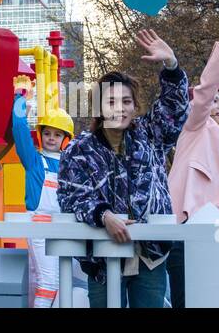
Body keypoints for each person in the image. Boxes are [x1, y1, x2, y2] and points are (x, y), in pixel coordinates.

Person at [57, 28, 189, 308]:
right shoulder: (80, 150)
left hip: (150, 255)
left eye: (126, 101)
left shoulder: (150, 134)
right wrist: (104, 215)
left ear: (135, 105)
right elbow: (71, 198)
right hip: (103, 257)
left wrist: (171, 65)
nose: (120, 109)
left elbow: (174, 110)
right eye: (111, 102)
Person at [166, 0, 219, 307]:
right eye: (216, 101)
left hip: (208, 234)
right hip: (183, 232)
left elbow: (211, 194)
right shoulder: (194, 125)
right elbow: (207, 85)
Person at [10, 91, 74, 307]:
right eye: (47, 133)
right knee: (49, 283)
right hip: (40, 229)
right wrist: (19, 101)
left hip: (65, 230)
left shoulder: (72, 164)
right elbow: (19, 132)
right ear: (40, 135)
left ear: (65, 139)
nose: (51, 138)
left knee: (58, 282)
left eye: (57, 134)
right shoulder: (34, 160)